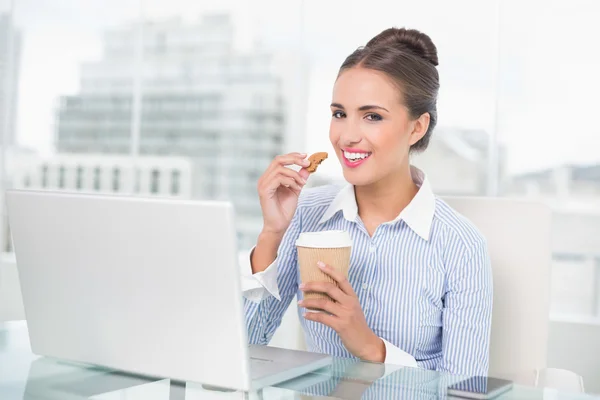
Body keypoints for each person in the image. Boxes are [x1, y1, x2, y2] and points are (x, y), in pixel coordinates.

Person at [241, 27, 493, 377]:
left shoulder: (460, 245)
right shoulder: (307, 215)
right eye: (339, 113)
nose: (347, 136)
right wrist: (272, 233)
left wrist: (372, 348)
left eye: (372, 116)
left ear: (417, 128)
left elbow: (465, 392)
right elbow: (241, 352)